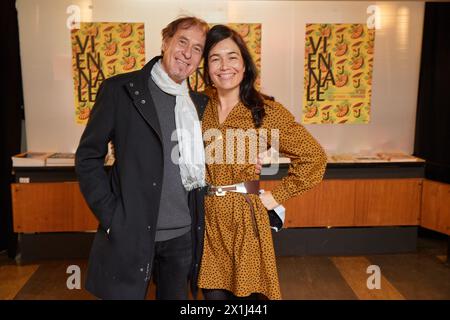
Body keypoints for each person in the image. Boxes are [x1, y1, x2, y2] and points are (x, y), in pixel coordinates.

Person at [75, 16, 212, 300]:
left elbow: (215, 157)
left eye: (197, 48)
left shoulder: (199, 105)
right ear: (165, 42)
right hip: (131, 232)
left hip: (182, 238)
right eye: (182, 42)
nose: (188, 53)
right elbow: (88, 157)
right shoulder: (120, 90)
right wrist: (111, 216)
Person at [197, 25, 327, 300]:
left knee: (250, 299)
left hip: (245, 219)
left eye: (232, 57)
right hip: (206, 219)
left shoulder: (265, 112)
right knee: (213, 298)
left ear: (245, 65)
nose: (224, 66)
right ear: (206, 67)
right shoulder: (197, 108)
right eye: (215, 58)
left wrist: (278, 195)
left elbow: (314, 157)